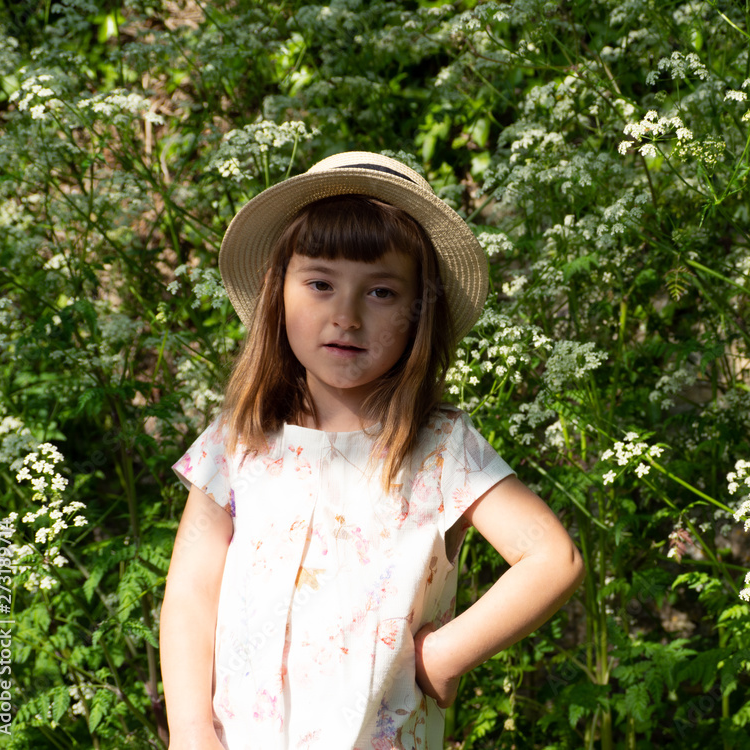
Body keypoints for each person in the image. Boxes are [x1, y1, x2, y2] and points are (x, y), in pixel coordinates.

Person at [159, 151, 585, 750]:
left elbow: (553, 558)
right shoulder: (240, 439)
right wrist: (189, 730)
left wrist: (443, 655)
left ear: (419, 316)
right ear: (277, 294)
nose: (347, 316)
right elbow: (191, 593)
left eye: (382, 292)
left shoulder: (438, 448)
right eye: (320, 284)